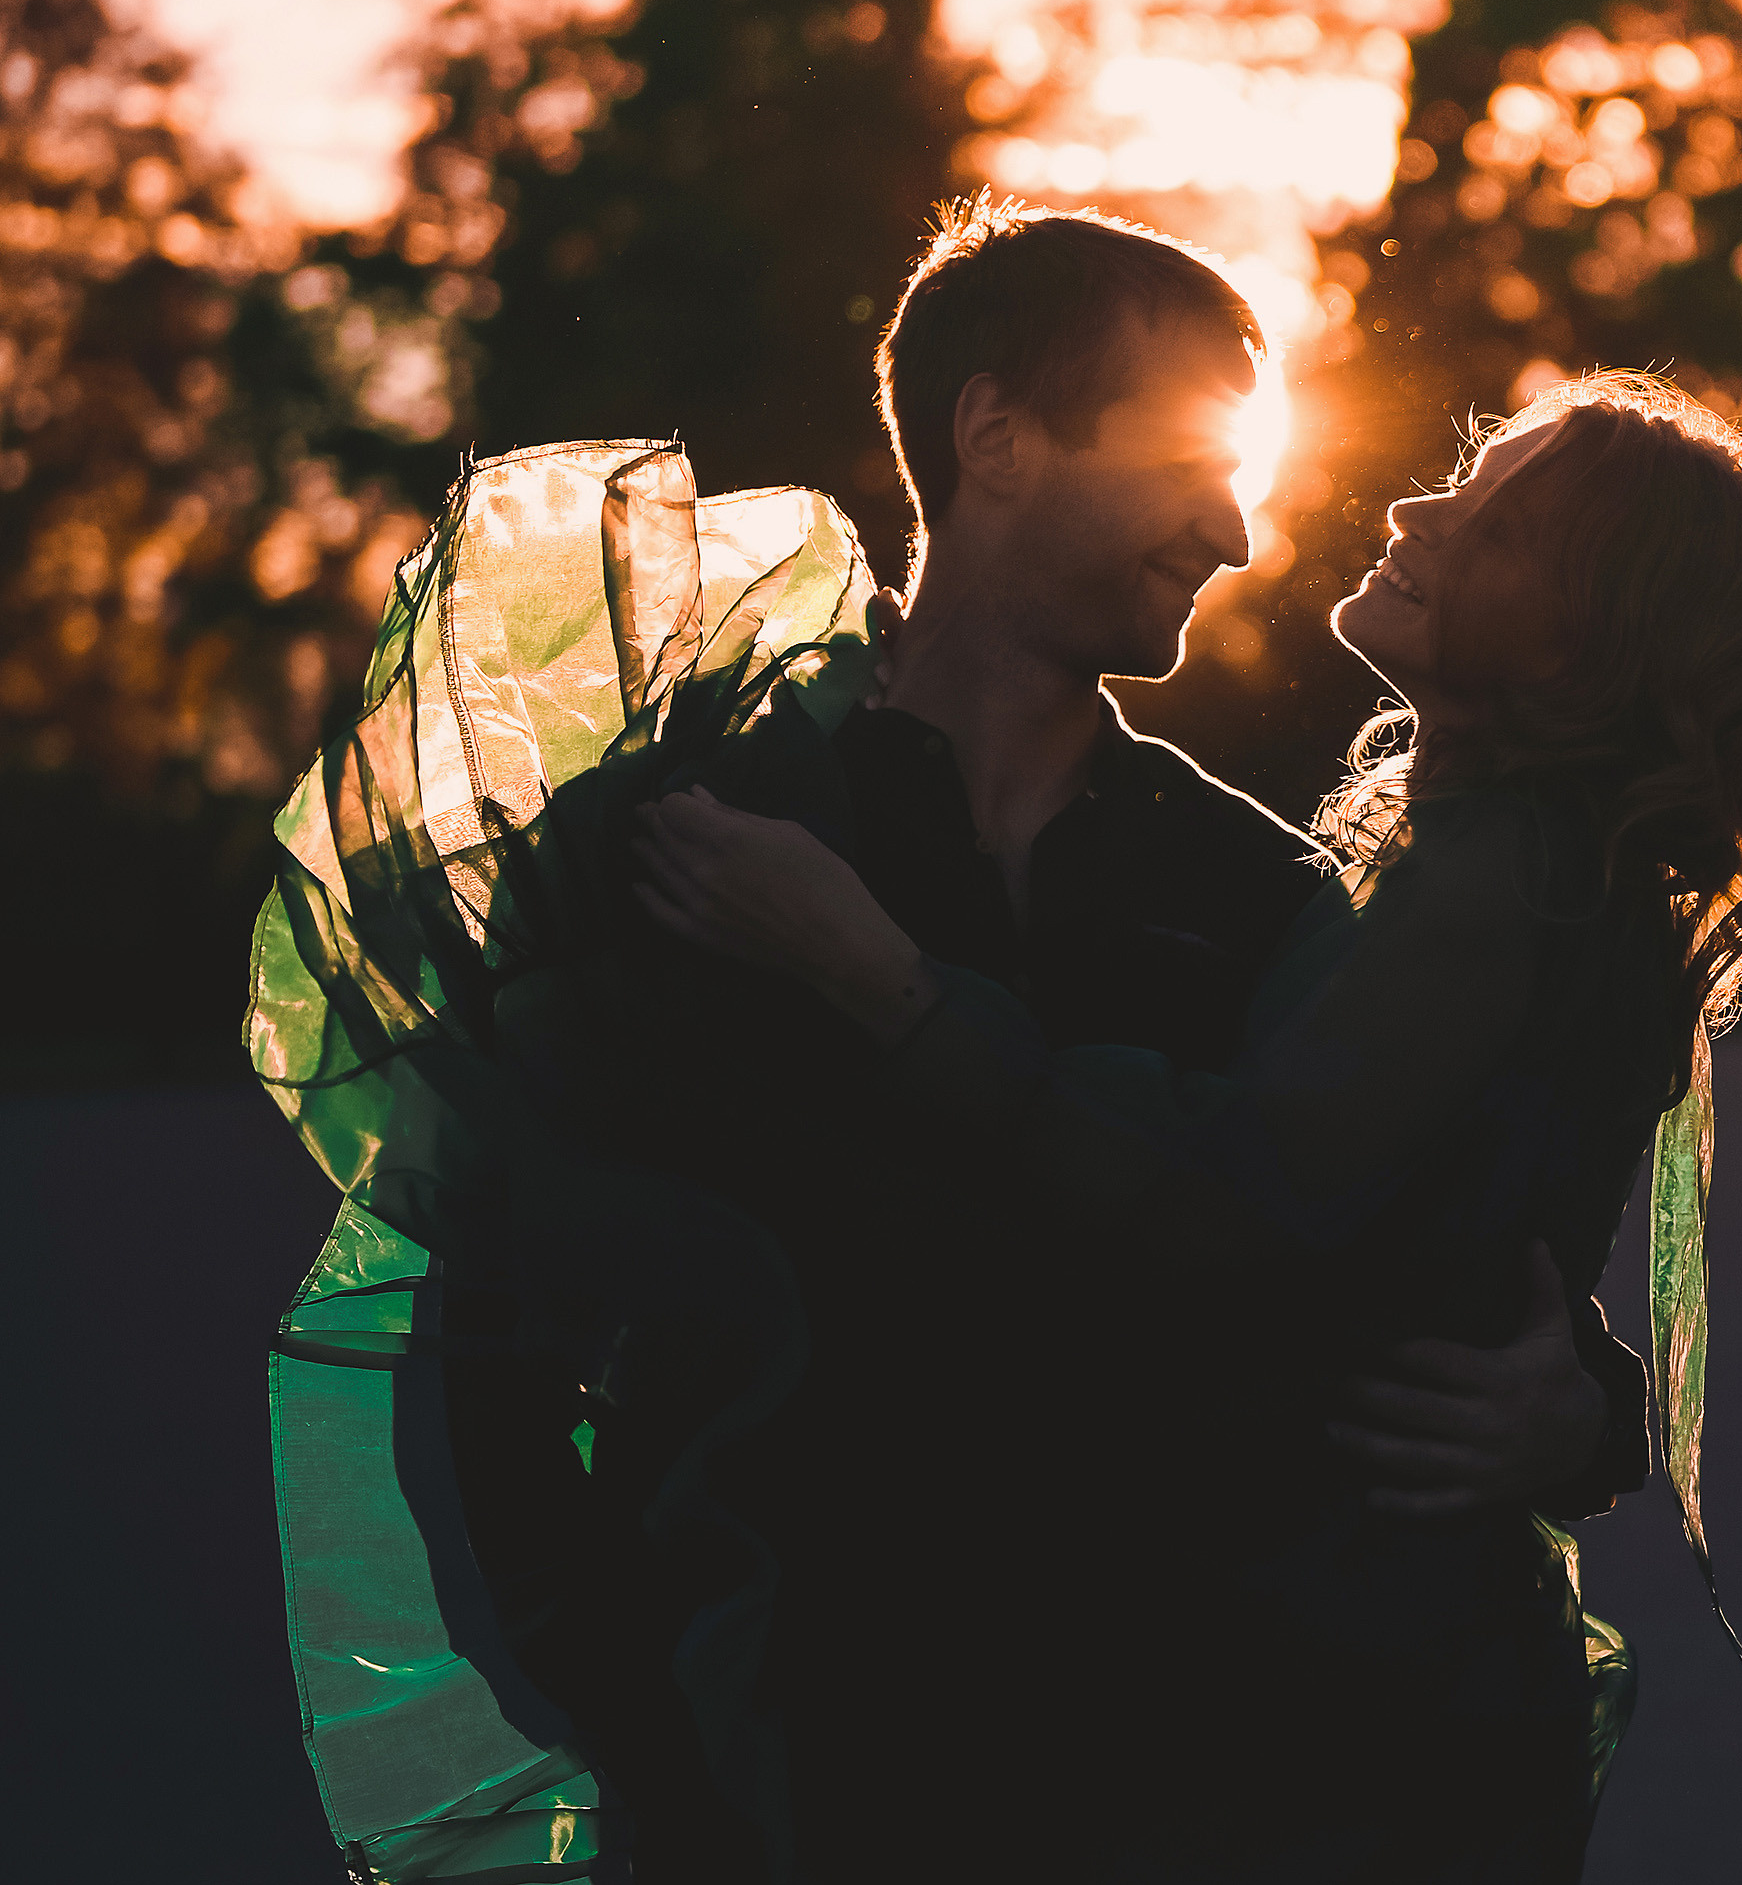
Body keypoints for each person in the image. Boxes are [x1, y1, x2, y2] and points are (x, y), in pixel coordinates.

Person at [254, 201, 1654, 1883]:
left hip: (1182, 1793)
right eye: (1194, 457)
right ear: (994, 436)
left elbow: (1377, 1230)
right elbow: (487, 1331)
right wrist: (658, 1735)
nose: (1235, 527)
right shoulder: (686, 835)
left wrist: (1585, 1413)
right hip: (792, 1787)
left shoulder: (1251, 892)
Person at [629, 360, 1742, 1878]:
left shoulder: (1358, 882)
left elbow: (1248, 1209)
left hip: (1297, 1711)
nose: (1412, 507)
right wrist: (1589, 1410)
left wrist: (875, 977)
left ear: (1590, 629)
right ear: (989, 438)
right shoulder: (756, 794)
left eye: (1494, 522)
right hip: (983, 1664)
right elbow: (1431, 1232)